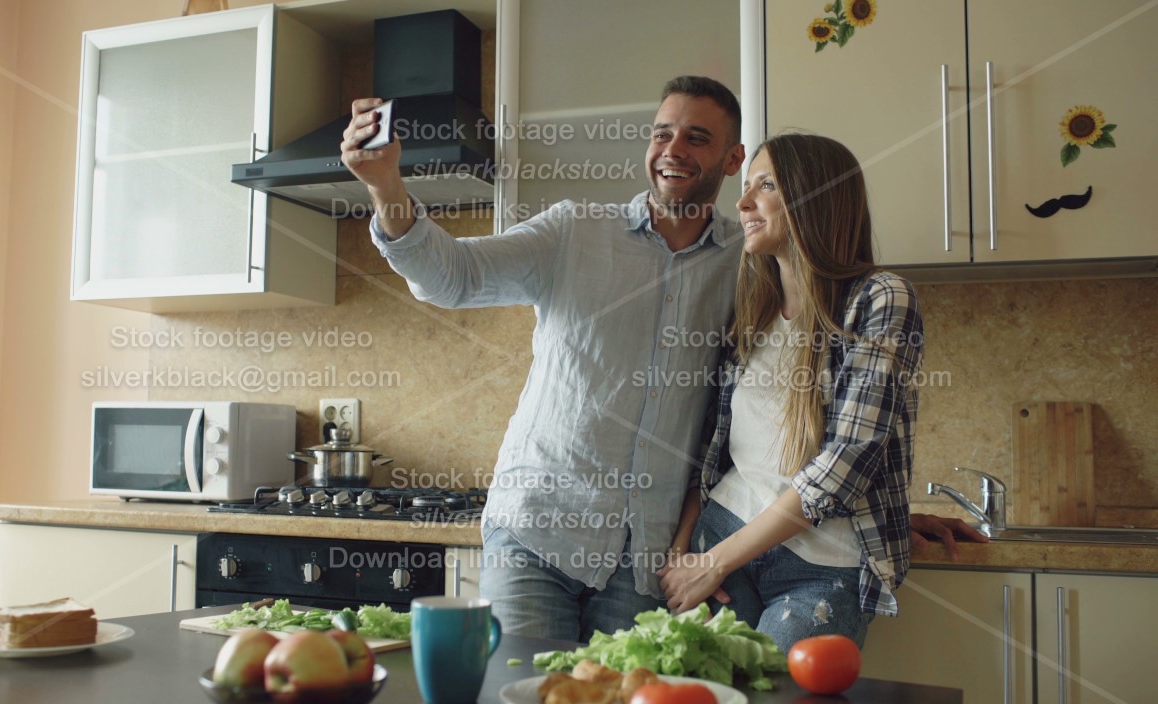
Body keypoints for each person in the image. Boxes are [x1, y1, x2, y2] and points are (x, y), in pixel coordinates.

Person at [340, 78, 983, 643]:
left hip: (647, 559)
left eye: (697, 137)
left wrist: (880, 505)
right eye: (661, 133)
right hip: (539, 532)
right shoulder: (572, 232)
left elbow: (777, 434)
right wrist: (385, 185)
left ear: (731, 159)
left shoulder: (751, 264)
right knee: (522, 699)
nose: (673, 150)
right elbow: (451, 278)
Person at [658, 133, 929, 651]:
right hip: (719, 533)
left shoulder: (880, 298)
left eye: (766, 186)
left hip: (822, 569)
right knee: (706, 700)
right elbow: (711, 451)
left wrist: (713, 562)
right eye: (746, 186)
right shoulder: (752, 307)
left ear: (815, 197)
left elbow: (851, 458)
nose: (742, 203)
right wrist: (683, 551)